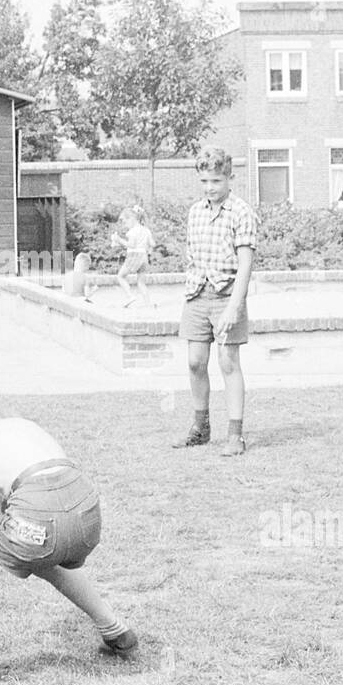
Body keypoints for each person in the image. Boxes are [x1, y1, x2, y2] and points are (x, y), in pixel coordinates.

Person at [0, 356, 135, 685]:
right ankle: (113, 627)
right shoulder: (22, 424)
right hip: (88, 510)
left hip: (41, 517)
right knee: (44, 555)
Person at [174, 148, 257, 458]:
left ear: (229, 178)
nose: (210, 187)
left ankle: (235, 434)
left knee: (227, 362)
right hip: (197, 293)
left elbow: (246, 264)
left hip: (227, 294)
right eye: (205, 180)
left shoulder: (241, 212)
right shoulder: (195, 211)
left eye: (216, 180)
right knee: (195, 361)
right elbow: (192, 254)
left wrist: (235, 305)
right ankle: (200, 428)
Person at [110, 205, 155, 307]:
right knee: (141, 282)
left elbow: (131, 245)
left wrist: (118, 240)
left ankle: (130, 296)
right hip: (144, 257)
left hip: (134, 256)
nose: (125, 225)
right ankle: (148, 304)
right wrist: (148, 249)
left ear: (132, 219)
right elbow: (152, 244)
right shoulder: (146, 230)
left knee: (121, 276)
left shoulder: (133, 231)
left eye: (125, 222)